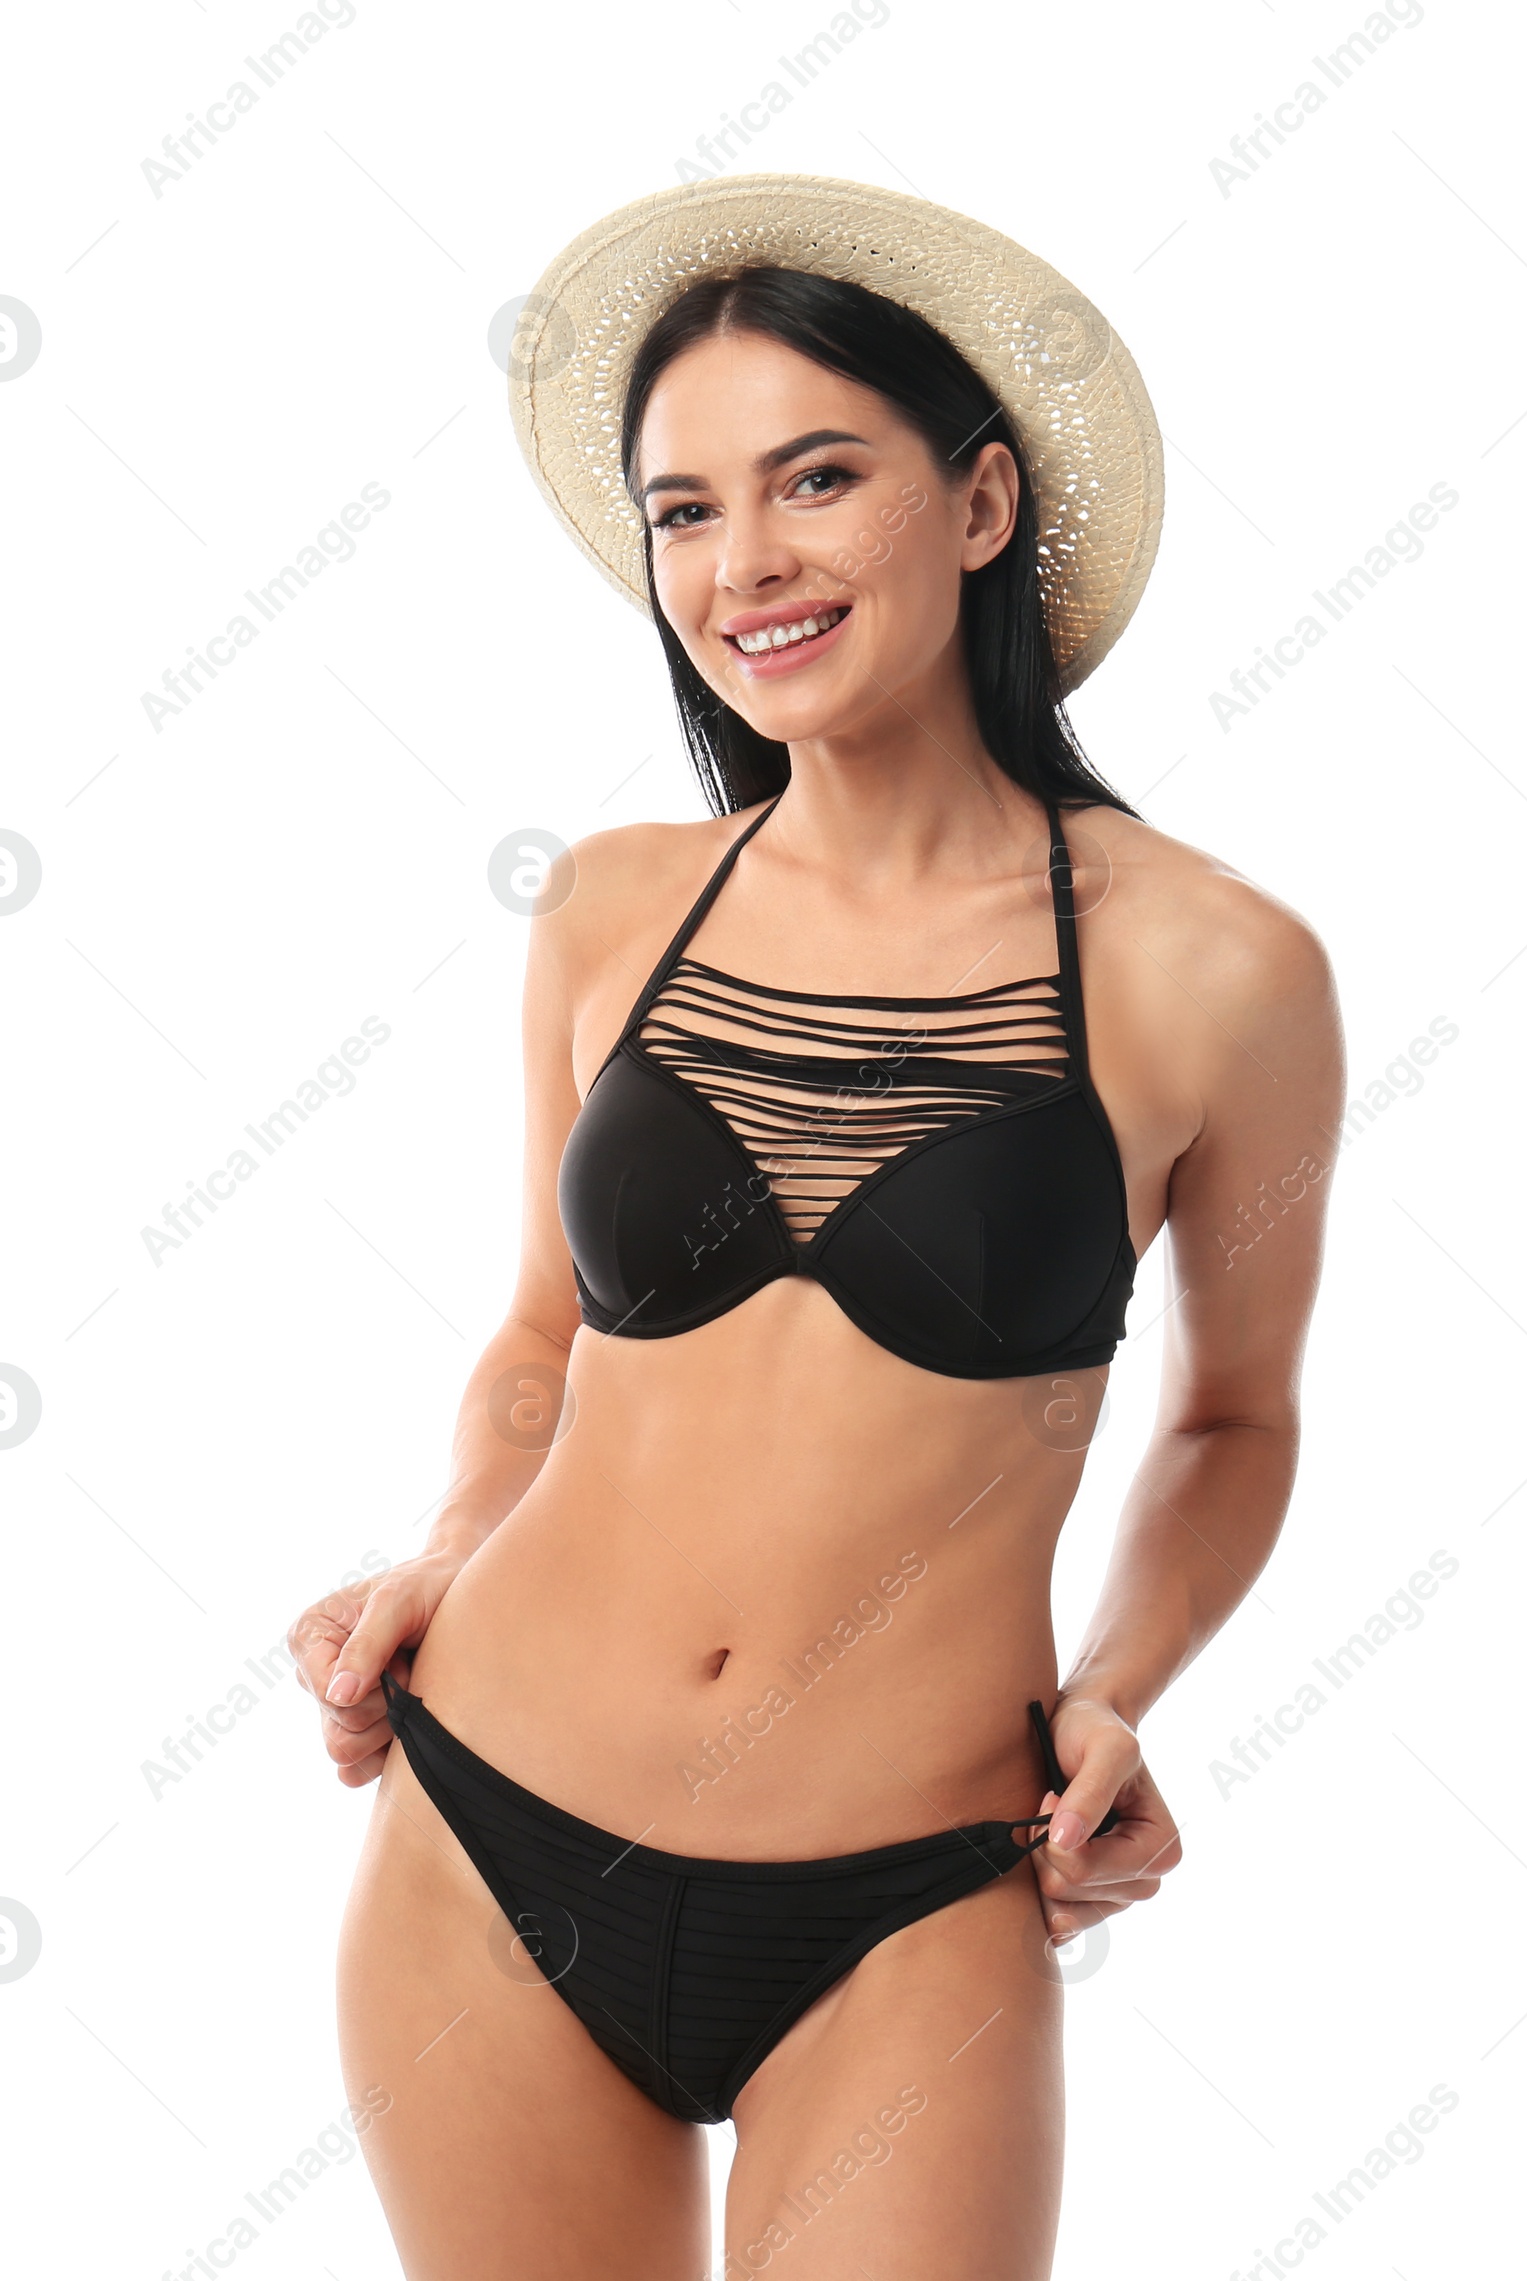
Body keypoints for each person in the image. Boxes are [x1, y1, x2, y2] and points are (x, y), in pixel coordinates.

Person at [291, 177, 1344, 2281]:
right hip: (487, 1830)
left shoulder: (1209, 968)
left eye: (813, 478)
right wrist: (438, 1546)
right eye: (681, 509)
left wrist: (1120, 1686)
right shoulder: (611, 904)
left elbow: (1232, 1419)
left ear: (974, 505)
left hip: (904, 1897)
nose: (740, 561)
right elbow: (537, 1335)